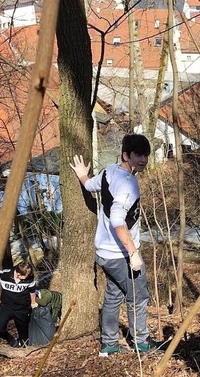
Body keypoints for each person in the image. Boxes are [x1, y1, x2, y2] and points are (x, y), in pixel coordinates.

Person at [69, 134, 158, 356]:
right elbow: (118, 220)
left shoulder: (109, 171)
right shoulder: (129, 184)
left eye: (146, 154)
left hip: (104, 253)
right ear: (126, 155)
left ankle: (109, 345)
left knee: (113, 297)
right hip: (121, 255)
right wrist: (133, 253)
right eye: (138, 155)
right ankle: (141, 342)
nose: (143, 159)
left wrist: (82, 175)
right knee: (138, 297)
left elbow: (91, 186)